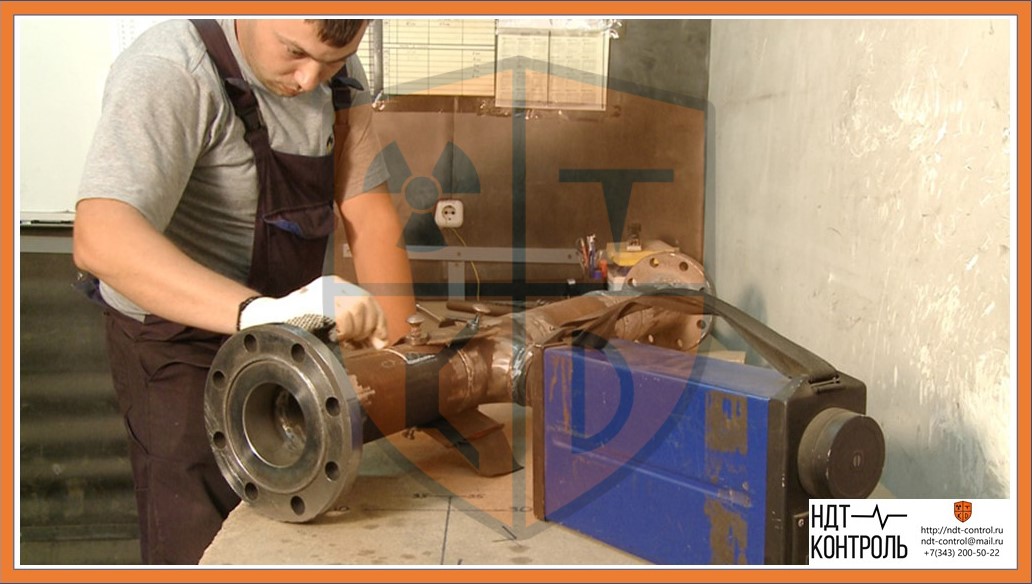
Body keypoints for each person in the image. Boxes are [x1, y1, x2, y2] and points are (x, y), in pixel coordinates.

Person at [71, 18, 416, 564]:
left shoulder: (338, 73)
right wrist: (262, 313)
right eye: (294, 52)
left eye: (331, 62)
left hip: (285, 338)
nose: (309, 80)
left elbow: (370, 219)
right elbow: (101, 239)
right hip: (178, 351)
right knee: (201, 544)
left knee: (295, 529)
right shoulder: (173, 69)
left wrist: (403, 362)